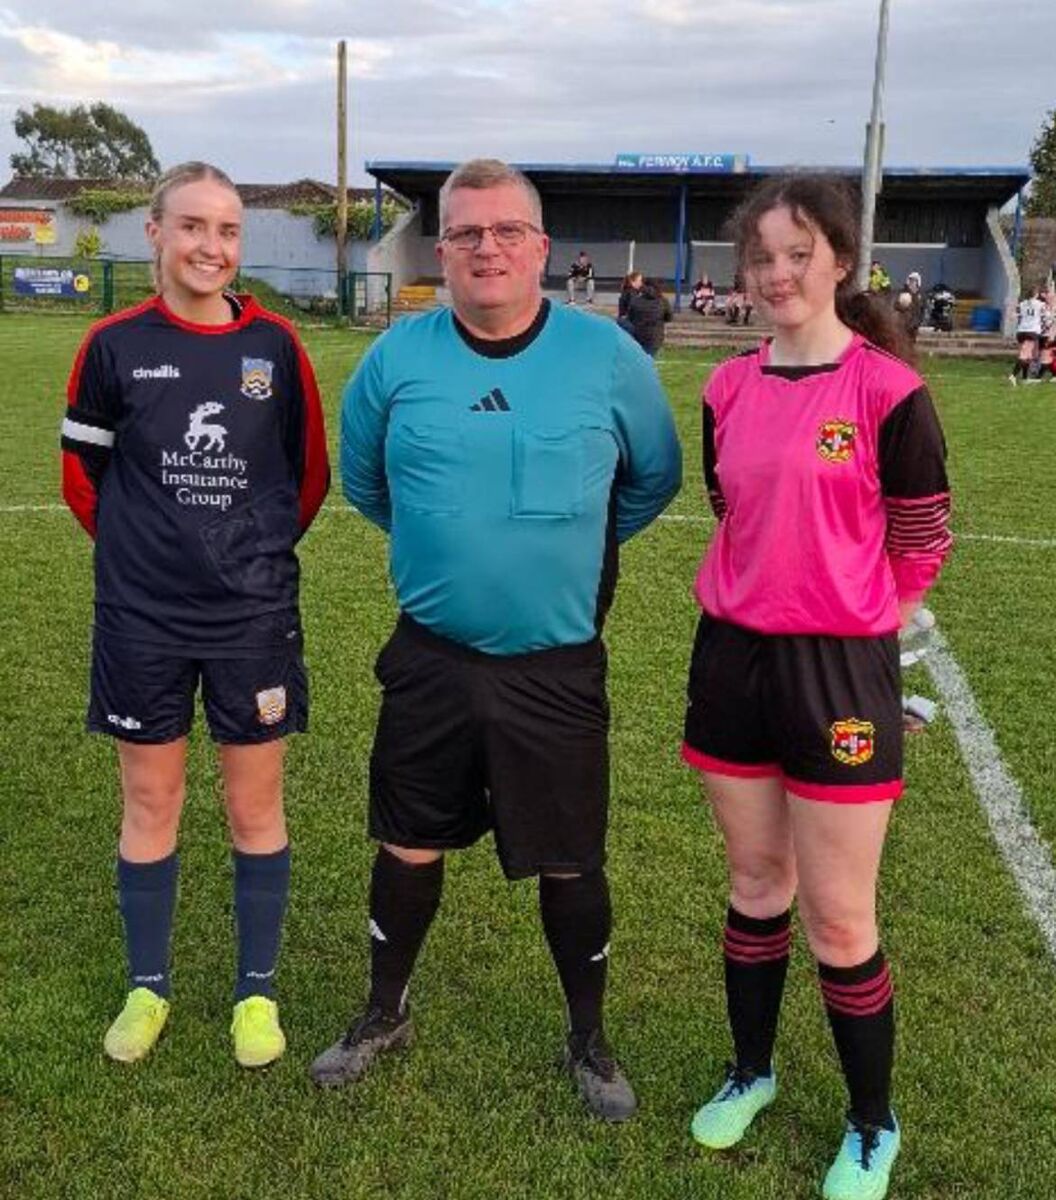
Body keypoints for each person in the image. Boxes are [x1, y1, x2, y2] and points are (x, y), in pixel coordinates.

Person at [310, 158, 681, 1121]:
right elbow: (367, 483)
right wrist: (451, 544)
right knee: (406, 841)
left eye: (507, 230)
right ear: (442, 250)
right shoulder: (397, 357)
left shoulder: (609, 358)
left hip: (555, 666)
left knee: (571, 858)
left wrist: (565, 542)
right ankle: (385, 1011)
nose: (488, 248)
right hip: (430, 656)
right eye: (467, 232)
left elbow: (652, 480)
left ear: (541, 247)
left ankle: (587, 1037)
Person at [681, 174, 950, 1200]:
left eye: (799, 253)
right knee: (756, 886)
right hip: (732, 659)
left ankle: (872, 1123)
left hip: (838, 669)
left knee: (840, 917)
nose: (778, 273)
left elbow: (920, 537)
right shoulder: (727, 388)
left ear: (840, 259)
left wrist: (858, 616)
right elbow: (730, 505)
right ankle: (751, 1072)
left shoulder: (890, 393)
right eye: (762, 256)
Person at [60, 161, 330, 1068]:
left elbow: (306, 476)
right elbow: (82, 478)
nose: (211, 247)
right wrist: (145, 555)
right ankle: (148, 987)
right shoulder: (111, 345)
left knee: (255, 803)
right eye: (192, 227)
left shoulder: (276, 348)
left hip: (250, 616)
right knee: (150, 799)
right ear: (155, 232)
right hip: (141, 618)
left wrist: (245, 558)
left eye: (227, 230)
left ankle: (257, 994)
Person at [624, 276, 673, 357]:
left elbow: (630, 318)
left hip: (638, 336)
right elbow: (669, 318)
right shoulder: (663, 301)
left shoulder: (636, 300)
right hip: (655, 337)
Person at [1010, 287, 1046, 385]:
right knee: (1024, 355)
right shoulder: (1040, 304)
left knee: (1028, 355)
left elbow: (1015, 314)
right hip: (1032, 331)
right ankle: (1013, 375)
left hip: (1021, 331)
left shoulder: (1022, 304)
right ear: (1036, 294)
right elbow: (1045, 315)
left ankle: (1025, 378)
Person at [894, 271, 924, 342]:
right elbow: (896, 306)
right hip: (903, 324)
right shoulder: (903, 293)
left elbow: (922, 311)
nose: (912, 283)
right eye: (911, 280)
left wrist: (917, 322)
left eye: (914, 281)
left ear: (918, 283)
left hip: (914, 324)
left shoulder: (920, 296)